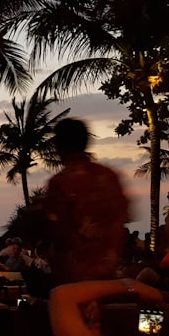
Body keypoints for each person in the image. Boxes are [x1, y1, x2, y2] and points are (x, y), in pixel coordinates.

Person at [42, 118, 129, 285]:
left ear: (60, 146)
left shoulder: (61, 183)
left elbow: (60, 234)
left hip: (75, 276)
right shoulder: (109, 177)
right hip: (109, 273)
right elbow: (121, 217)